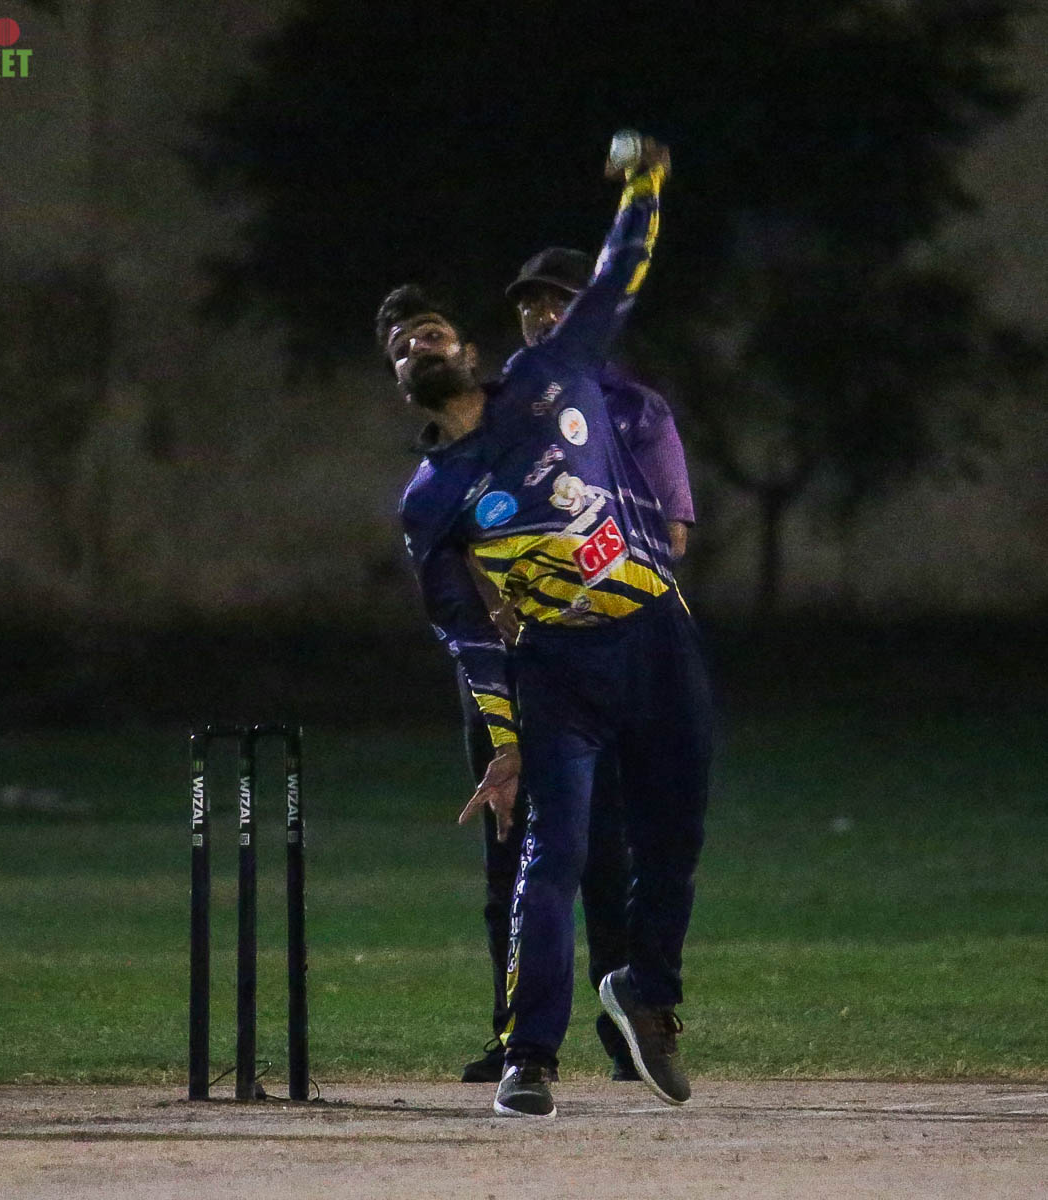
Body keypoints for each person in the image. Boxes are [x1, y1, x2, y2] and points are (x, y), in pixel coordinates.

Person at [380, 136, 713, 1118]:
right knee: (550, 858)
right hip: (558, 668)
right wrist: (504, 742)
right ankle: (528, 1056)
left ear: (469, 353)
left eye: (430, 334)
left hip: (656, 634)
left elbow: (617, 278)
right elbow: (464, 634)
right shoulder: (429, 499)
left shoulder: (548, 376)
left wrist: (644, 185)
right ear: (400, 382)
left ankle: (646, 994)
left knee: (673, 839)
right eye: (401, 348)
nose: (417, 346)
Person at [457, 247, 695, 1085]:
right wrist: (507, 589)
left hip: (627, 646)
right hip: (534, 659)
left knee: (620, 847)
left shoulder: (634, 409)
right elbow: (465, 539)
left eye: (557, 299)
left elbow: (671, 533)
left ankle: (630, 1023)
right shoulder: (501, 412)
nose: (540, 314)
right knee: (527, 855)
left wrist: (593, 570)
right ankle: (523, 1044)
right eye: (528, 304)